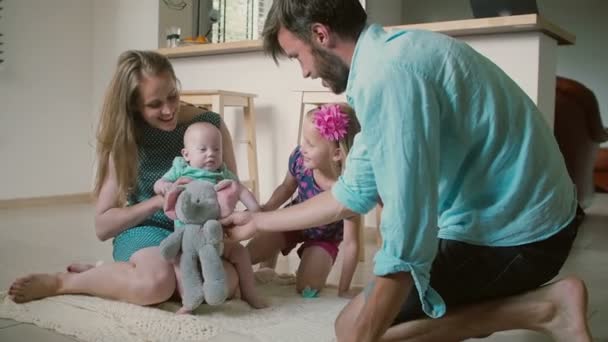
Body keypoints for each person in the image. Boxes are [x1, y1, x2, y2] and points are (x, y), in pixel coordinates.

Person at [221, 1, 592, 341]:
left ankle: (547, 309)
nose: (304, 72)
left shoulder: (389, 76)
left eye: (297, 56)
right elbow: (351, 194)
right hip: (533, 219)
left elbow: (407, 235)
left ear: (320, 34)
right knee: (352, 323)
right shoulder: (388, 58)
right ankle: (546, 306)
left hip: (523, 237)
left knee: (353, 330)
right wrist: (257, 221)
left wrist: (366, 328)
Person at [8, 50, 246, 309]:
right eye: (154, 104)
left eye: (172, 96)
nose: (168, 110)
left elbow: (230, 191)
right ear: (133, 105)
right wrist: (157, 202)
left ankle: (112, 273)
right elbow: (102, 226)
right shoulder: (127, 139)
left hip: (196, 229)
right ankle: (65, 282)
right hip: (145, 229)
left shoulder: (209, 126)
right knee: (155, 285)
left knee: (226, 284)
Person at [247, 104, 362, 298]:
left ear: (336, 154)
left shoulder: (349, 188)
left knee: (307, 288)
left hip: (323, 237)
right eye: (303, 140)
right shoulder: (300, 160)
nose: (302, 148)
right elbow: (286, 187)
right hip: (293, 222)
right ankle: (271, 257)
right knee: (249, 253)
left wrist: (344, 289)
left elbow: (352, 244)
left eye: (310, 144)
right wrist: (266, 210)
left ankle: (310, 260)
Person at [154, 120, 267, 310]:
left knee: (240, 252)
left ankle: (250, 293)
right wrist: (164, 186)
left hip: (216, 236)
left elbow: (240, 190)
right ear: (186, 154)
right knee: (179, 262)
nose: (211, 154)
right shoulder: (181, 169)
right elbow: (159, 183)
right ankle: (188, 302)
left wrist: (255, 209)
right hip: (187, 239)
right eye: (203, 149)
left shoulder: (222, 173)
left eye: (216, 149)